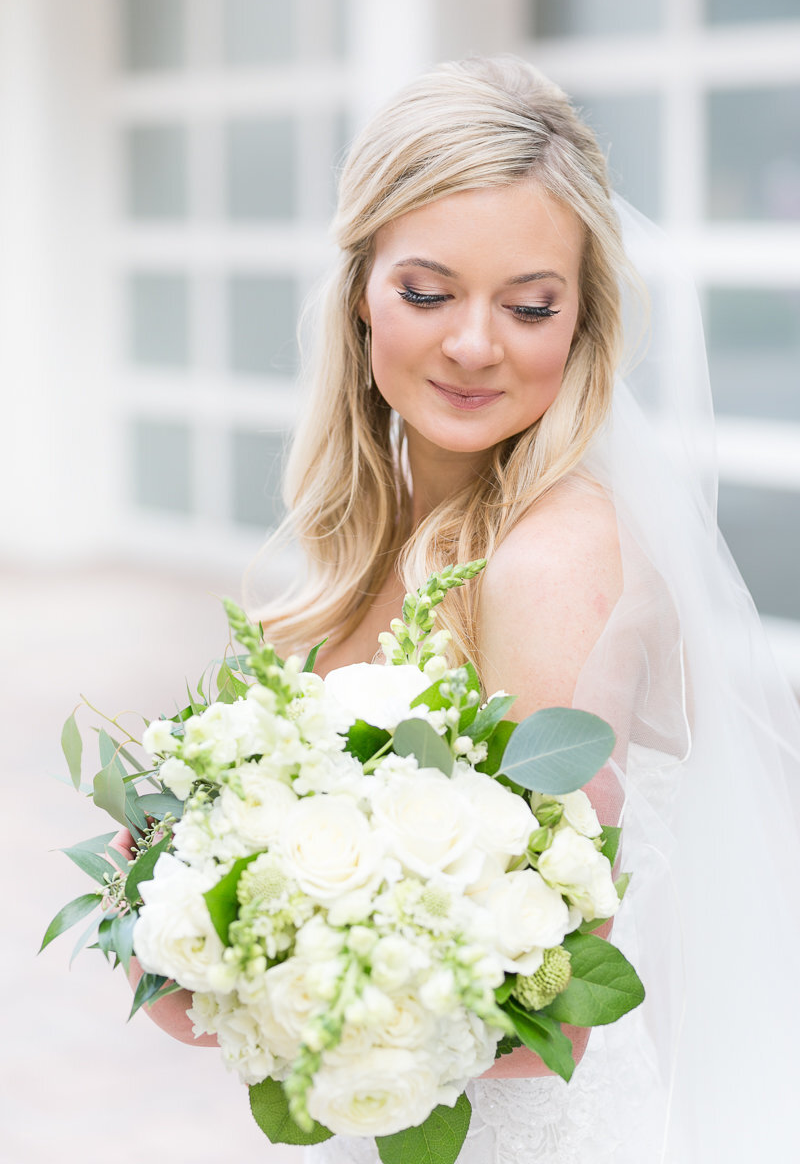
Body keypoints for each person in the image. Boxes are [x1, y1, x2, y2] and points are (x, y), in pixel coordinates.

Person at [149, 57, 800, 1161]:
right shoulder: (371, 542)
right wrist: (183, 923)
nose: (472, 344)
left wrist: (252, 984)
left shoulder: (546, 564)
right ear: (360, 290)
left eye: (529, 304)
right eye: (427, 291)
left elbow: (543, 1016)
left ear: (581, 319)